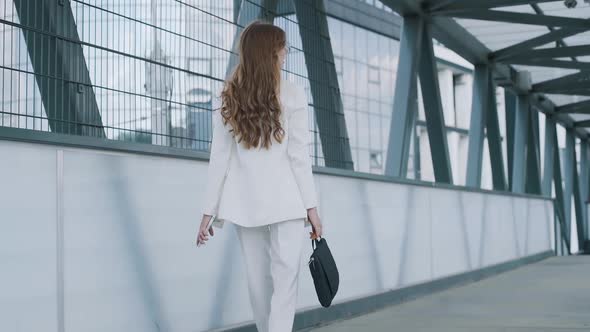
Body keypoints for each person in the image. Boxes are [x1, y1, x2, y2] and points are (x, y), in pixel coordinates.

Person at [196, 20, 323, 332]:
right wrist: (312, 208)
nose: (286, 53)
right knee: (285, 280)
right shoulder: (292, 94)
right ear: (269, 53)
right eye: (282, 48)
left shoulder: (229, 96)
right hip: (288, 202)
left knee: (258, 284)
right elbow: (299, 157)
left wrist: (208, 211)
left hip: (246, 205)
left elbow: (220, 159)